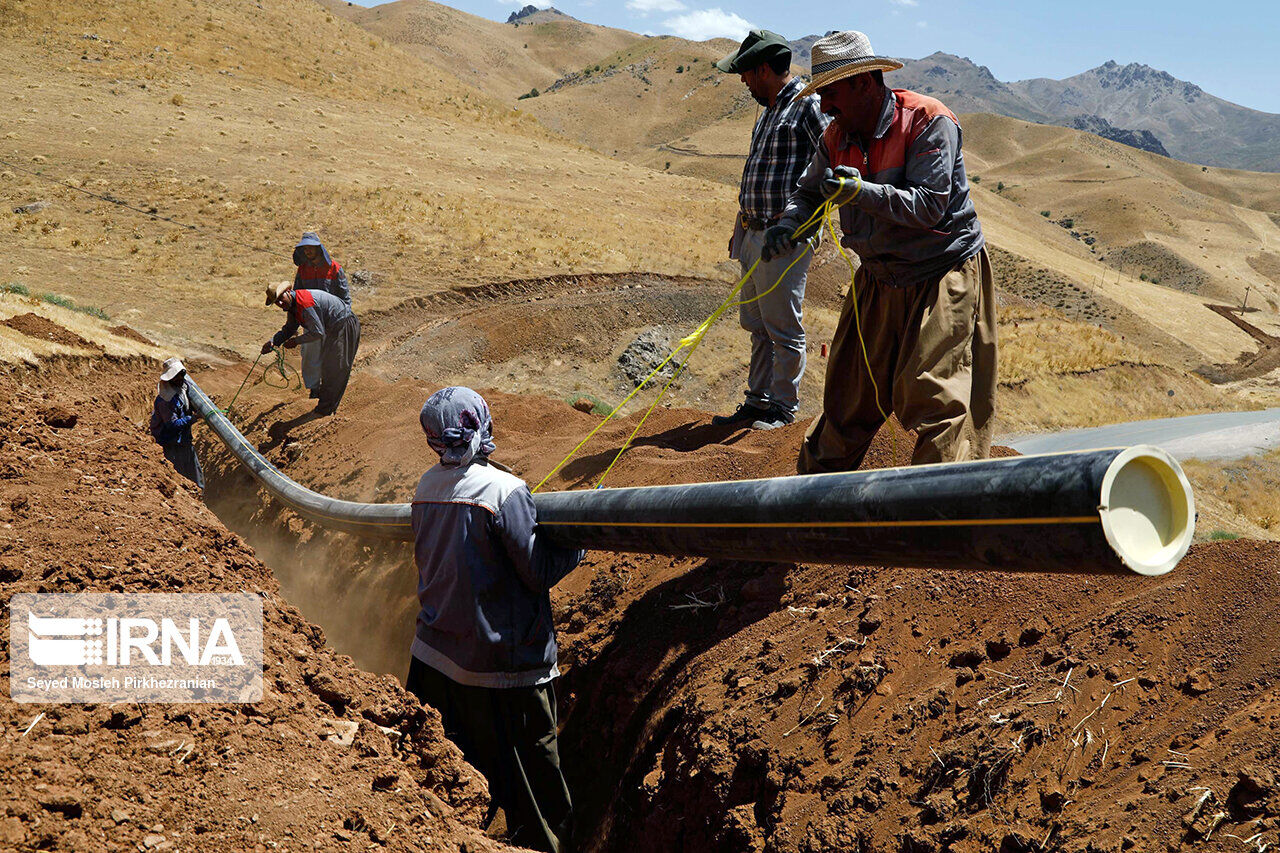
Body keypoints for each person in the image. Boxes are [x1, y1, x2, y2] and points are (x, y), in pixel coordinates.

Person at [762, 30, 997, 472]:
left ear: (864, 83)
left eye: (830, 93)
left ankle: (932, 523)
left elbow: (929, 206)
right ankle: (815, 518)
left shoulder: (928, 121)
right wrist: (789, 223)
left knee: (937, 401)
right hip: (877, 279)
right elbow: (809, 192)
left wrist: (860, 192)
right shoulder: (835, 135)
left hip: (941, 276)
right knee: (846, 401)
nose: (824, 106)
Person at [405, 387, 583, 853]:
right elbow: (539, 571)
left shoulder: (425, 488)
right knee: (534, 791)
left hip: (434, 661)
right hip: (502, 670)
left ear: (434, 440)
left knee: (456, 775)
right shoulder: (504, 491)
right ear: (482, 424)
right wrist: (584, 535)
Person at [711, 30, 829, 431]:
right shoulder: (769, 111)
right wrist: (740, 225)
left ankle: (783, 408)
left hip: (785, 238)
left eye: (745, 73)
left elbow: (830, 168)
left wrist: (794, 226)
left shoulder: (807, 106)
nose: (743, 81)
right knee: (757, 324)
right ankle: (758, 401)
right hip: (753, 233)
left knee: (782, 327)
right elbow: (757, 174)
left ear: (763, 69)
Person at [262, 281, 360, 416]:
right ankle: (325, 406)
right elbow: (290, 328)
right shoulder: (293, 306)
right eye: (276, 302)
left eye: (280, 299)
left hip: (344, 324)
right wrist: (274, 342)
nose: (279, 304)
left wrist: (296, 341)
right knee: (328, 366)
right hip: (333, 329)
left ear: (288, 292)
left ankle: (326, 410)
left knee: (337, 367)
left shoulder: (305, 303)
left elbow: (318, 333)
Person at [291, 232, 351, 399]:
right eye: (305, 248)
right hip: (311, 320)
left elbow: (345, 297)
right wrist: (294, 324)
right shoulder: (302, 270)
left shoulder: (335, 269)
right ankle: (314, 388)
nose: (308, 251)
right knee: (310, 353)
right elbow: (296, 297)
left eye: (310, 247)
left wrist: (345, 320)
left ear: (319, 248)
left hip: (332, 320)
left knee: (333, 354)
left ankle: (331, 387)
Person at [148, 357, 204, 488]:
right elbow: (172, 425)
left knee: (197, 477)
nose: (180, 378)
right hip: (171, 444)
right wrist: (194, 418)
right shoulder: (165, 400)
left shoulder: (183, 387)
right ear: (170, 378)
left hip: (184, 441)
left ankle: (201, 504)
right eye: (176, 376)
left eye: (181, 374)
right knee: (181, 479)